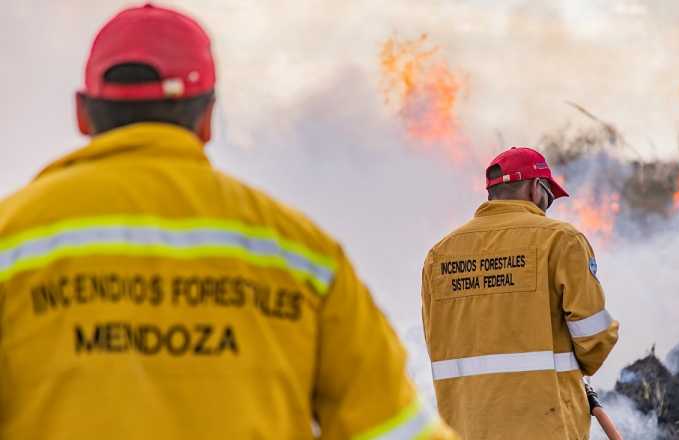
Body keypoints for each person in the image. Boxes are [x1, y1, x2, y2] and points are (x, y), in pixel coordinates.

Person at [0, 4, 454, 439]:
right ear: (207, 119)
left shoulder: (11, 240)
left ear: (82, 113)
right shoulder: (304, 259)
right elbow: (390, 429)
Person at [420, 146, 620, 439]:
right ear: (535, 188)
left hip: (463, 428)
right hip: (545, 427)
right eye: (548, 197)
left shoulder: (438, 255)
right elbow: (595, 339)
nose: (546, 205)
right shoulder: (561, 240)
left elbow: (437, 340)